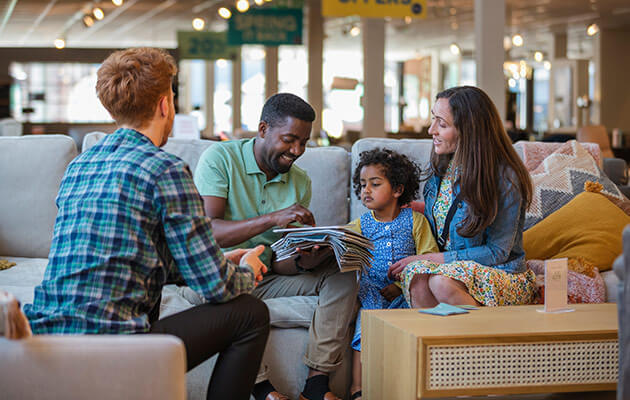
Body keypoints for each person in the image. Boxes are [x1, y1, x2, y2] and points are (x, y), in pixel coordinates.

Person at [24, 47, 270, 400]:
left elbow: (122, 260)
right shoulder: (166, 169)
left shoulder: (81, 165)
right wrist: (245, 268)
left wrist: (214, 262)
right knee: (250, 313)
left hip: (47, 343)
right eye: (171, 96)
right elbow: (218, 289)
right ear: (164, 105)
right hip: (112, 351)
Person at [194, 93, 359, 400]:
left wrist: (306, 259)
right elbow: (209, 231)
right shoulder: (220, 159)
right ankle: (262, 389)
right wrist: (272, 218)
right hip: (219, 274)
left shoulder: (300, 182)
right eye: (289, 140)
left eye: (304, 142)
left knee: (343, 273)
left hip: (266, 276)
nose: (296, 151)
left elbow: (279, 259)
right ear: (262, 130)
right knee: (226, 284)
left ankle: (316, 386)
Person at [388, 86, 537, 310]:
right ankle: (431, 344)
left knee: (441, 282)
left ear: (469, 131)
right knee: (417, 279)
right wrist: (412, 208)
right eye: (433, 120)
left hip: (502, 272)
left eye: (442, 124)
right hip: (453, 269)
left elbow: (498, 252)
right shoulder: (442, 167)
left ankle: (479, 343)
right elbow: (445, 216)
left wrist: (429, 259)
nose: (431, 130)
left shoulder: (505, 177)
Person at [347, 149, 438, 400]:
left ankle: (404, 388)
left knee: (406, 334)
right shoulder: (360, 225)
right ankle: (358, 389)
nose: (366, 190)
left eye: (375, 184)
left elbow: (428, 257)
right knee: (363, 336)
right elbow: (340, 244)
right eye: (363, 184)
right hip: (371, 292)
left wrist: (401, 286)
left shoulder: (416, 221)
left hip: (405, 294)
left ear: (397, 190)